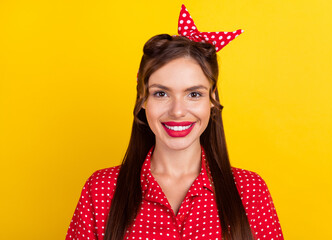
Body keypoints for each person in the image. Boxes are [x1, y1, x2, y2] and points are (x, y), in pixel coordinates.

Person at [65, 5, 284, 240]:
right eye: (161, 93)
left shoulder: (251, 192)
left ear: (212, 101)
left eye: (194, 94)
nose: (178, 111)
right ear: (142, 99)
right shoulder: (100, 191)